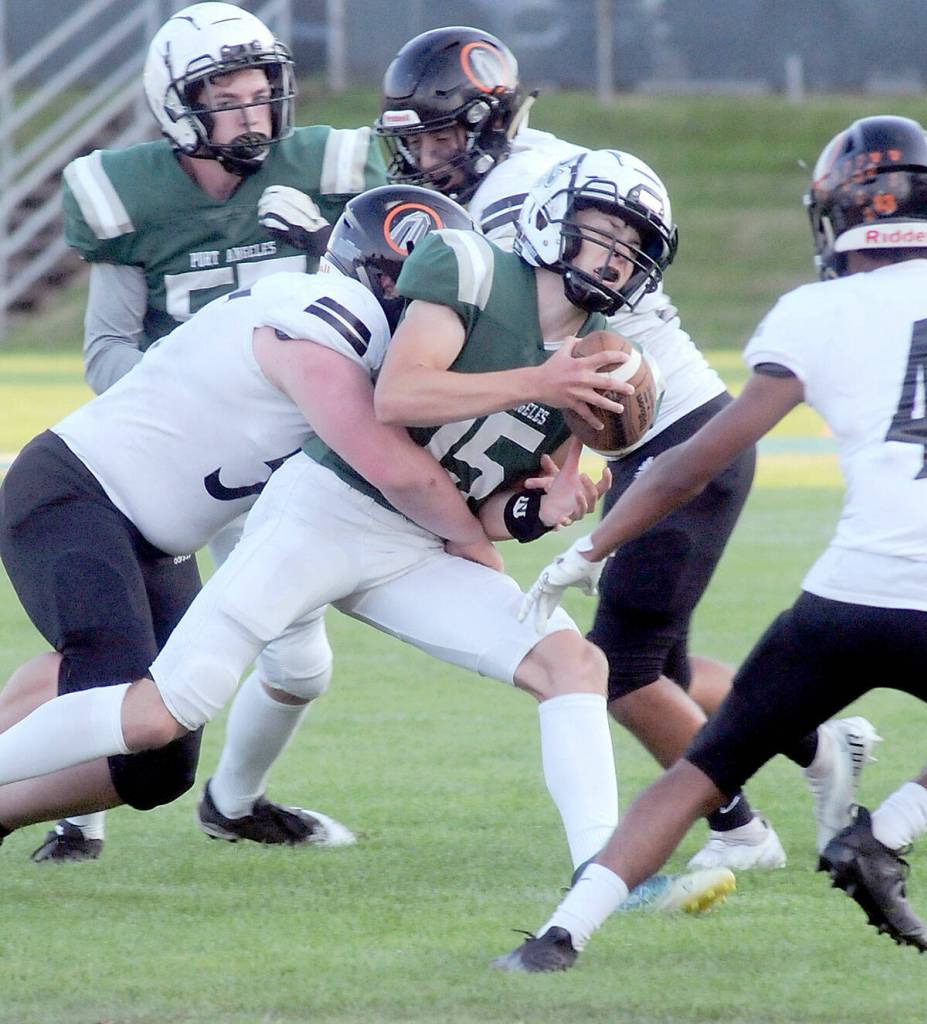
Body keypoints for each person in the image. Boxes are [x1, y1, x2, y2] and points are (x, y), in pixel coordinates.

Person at [0, 151, 736, 916]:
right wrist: (536, 388)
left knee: (570, 663)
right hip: (324, 513)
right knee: (160, 714)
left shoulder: (600, 360)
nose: (615, 257)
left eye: (633, 245)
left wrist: (535, 512)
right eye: (602, 232)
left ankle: (603, 872)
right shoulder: (469, 265)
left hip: (413, 544)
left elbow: (476, 502)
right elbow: (399, 396)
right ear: (553, 217)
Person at [366, 26, 881, 871]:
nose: (423, 154)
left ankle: (738, 832)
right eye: (412, 136)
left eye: (438, 133)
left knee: (623, 671)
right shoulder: (518, 168)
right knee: (666, 661)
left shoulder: (520, 189)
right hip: (641, 427)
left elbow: (549, 336)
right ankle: (817, 744)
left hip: (671, 435)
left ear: (487, 123)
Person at [492, 114, 927, 971]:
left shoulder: (815, 310)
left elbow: (688, 463)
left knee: (700, 773)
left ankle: (557, 937)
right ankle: (884, 833)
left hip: (848, 600)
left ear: (835, 216)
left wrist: (587, 551)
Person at [0, 184, 491, 859]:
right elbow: (396, 468)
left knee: (156, 766)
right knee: (121, 699)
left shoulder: (351, 327)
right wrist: (472, 544)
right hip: (76, 493)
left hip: (155, 539)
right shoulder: (327, 322)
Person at [35, 0, 384, 861]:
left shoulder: (328, 173)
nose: (251, 113)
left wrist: (336, 246)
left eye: (261, 93)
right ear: (178, 103)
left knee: (300, 668)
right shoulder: (130, 196)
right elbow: (109, 349)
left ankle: (235, 803)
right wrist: (191, 394)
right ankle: (76, 818)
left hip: (287, 460)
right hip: (177, 460)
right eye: (225, 95)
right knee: (127, 650)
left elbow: (390, 308)